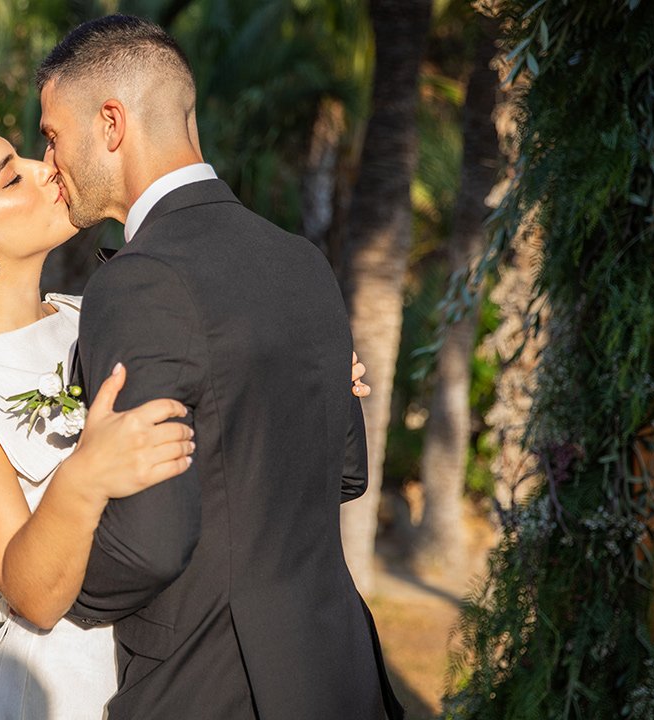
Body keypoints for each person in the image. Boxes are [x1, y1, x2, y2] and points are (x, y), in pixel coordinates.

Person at [0, 115, 371, 719]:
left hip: (185, 660)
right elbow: (33, 595)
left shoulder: (93, 312)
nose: (43, 167)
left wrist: (295, 382)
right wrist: (86, 476)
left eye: (26, 155)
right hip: (68, 686)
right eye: (11, 178)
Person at [36, 15, 404, 719]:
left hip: (214, 686)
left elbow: (151, 542)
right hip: (336, 674)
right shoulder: (301, 260)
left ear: (111, 123)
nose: (50, 161)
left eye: (53, 135)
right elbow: (345, 470)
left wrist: (42, 585)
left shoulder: (138, 280)